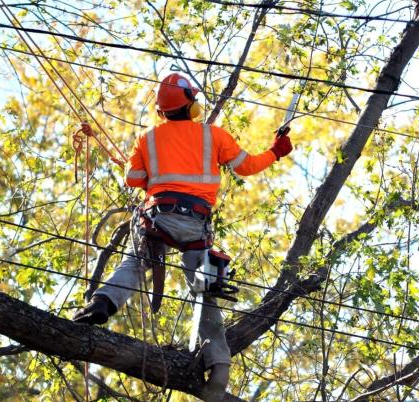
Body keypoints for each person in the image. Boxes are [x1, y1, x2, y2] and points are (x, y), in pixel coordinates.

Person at [73, 73, 292, 401]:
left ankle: (102, 303)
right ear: (191, 105)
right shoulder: (213, 136)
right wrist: (276, 150)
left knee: (134, 264)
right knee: (203, 291)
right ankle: (219, 369)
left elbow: (133, 180)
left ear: (162, 111)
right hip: (195, 224)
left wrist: (152, 173)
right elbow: (247, 166)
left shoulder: (147, 138)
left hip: (157, 217)